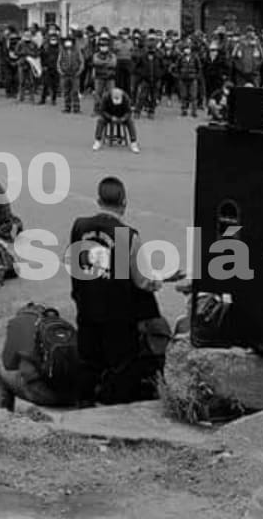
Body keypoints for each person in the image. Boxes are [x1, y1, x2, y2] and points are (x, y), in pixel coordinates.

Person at [69, 177, 171, 405]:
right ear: (124, 202)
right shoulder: (127, 235)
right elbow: (143, 281)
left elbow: (75, 266)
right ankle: (111, 404)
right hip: (117, 315)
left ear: (98, 200)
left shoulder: (79, 226)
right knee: (121, 365)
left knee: (88, 361)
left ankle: (83, 404)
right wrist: (161, 280)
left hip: (86, 307)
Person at [92, 86, 140, 153]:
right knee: (100, 120)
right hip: (109, 114)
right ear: (111, 97)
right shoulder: (105, 97)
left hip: (122, 115)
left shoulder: (125, 97)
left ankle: (133, 143)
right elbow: (102, 111)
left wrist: (123, 118)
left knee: (130, 121)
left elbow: (129, 112)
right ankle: (97, 140)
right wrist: (111, 117)